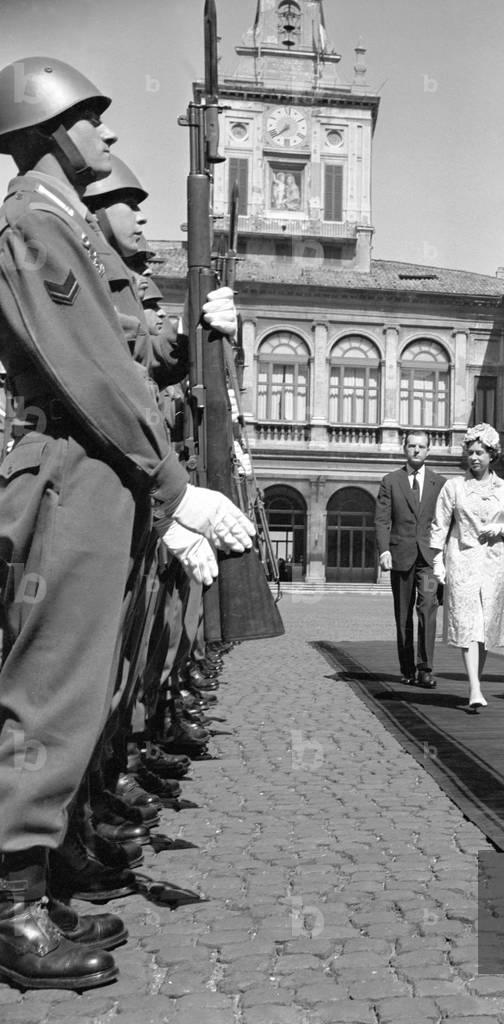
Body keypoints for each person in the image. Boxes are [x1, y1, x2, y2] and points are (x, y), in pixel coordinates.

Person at [0, 56, 253, 990]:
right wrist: (170, 482)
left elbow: (129, 350)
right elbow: (95, 375)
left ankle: (38, 877)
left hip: (105, 468)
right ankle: (11, 906)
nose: (107, 138)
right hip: (77, 467)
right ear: (53, 129)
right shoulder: (31, 219)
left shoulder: (61, 220)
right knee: (53, 692)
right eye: (92, 121)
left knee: (87, 681)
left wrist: (194, 333)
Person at [429, 423, 504, 711]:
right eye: (470, 452)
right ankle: (475, 689)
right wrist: (437, 563)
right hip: (462, 561)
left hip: (492, 565)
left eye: (480, 452)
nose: (475, 457)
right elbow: (439, 526)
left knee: (483, 630)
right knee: (468, 625)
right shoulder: (453, 487)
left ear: (492, 454)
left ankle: (475, 682)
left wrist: (500, 527)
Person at [375, 431, 445, 689]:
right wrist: (384, 550)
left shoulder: (440, 483)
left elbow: (445, 522)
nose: (416, 450)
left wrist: (444, 556)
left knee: (428, 609)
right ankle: (406, 668)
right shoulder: (391, 481)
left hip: (428, 561)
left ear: (429, 450)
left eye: (422, 446)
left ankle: (425, 668)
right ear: (404, 448)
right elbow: (382, 520)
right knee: (403, 614)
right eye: (412, 446)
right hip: (401, 559)